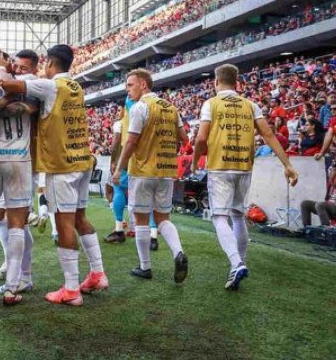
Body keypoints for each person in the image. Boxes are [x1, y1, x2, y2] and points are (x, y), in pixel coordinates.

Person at [1, 44, 108, 307]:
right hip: (83, 160)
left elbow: (9, 86)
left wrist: (1, 68)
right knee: (81, 218)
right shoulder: (76, 87)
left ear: (49, 63)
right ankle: (97, 273)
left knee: (64, 224)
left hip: (62, 166)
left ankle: (71, 288)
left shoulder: (49, 86)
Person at [192, 64, 298, 290]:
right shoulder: (251, 104)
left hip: (220, 166)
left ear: (216, 82)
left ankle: (236, 263)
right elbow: (268, 134)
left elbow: (201, 139)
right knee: (238, 215)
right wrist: (287, 164)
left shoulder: (211, 103)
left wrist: (194, 161)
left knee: (219, 217)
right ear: (237, 82)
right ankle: (239, 264)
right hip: (243, 166)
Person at [0, 48, 40, 306]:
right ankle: (9, 287)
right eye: (13, 63)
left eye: (20, 66)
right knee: (12, 224)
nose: (16, 67)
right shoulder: (30, 85)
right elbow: (28, 106)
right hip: (18, 161)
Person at [112, 69, 189, 284]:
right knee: (163, 218)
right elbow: (184, 139)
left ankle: (145, 267)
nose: (127, 90)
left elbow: (131, 142)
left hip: (143, 171)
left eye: (130, 85)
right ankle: (178, 253)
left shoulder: (140, 107)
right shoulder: (171, 108)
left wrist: (119, 169)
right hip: (166, 170)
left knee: (141, 219)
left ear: (143, 85)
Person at [105, 97, 159, 251]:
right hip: (148, 160)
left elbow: (116, 142)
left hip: (127, 159)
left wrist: (114, 161)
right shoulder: (151, 116)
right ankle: (153, 235)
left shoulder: (121, 123)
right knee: (148, 196)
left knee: (118, 189)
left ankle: (119, 229)